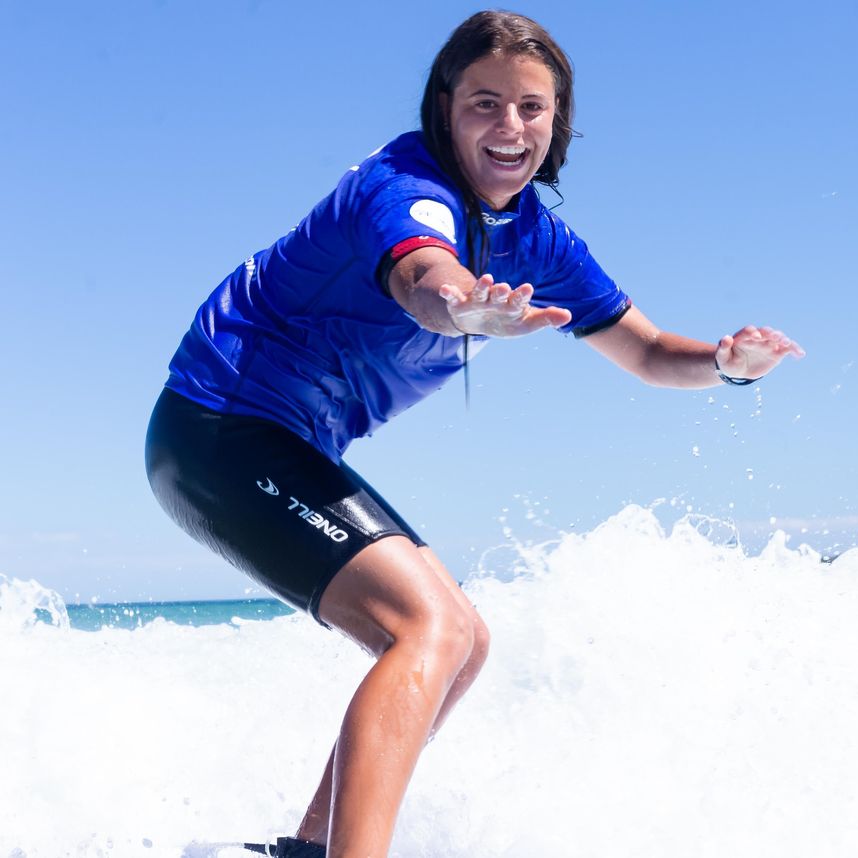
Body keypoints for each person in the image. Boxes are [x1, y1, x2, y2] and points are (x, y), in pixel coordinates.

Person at [146, 10, 803, 858]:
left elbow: (643, 351)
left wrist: (726, 364)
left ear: (557, 119)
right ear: (444, 108)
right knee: (431, 629)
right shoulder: (401, 185)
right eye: (485, 103)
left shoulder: (541, 238)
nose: (510, 127)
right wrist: (463, 305)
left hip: (283, 447)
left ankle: (306, 848)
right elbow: (425, 274)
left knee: (463, 641)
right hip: (218, 426)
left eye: (532, 107)